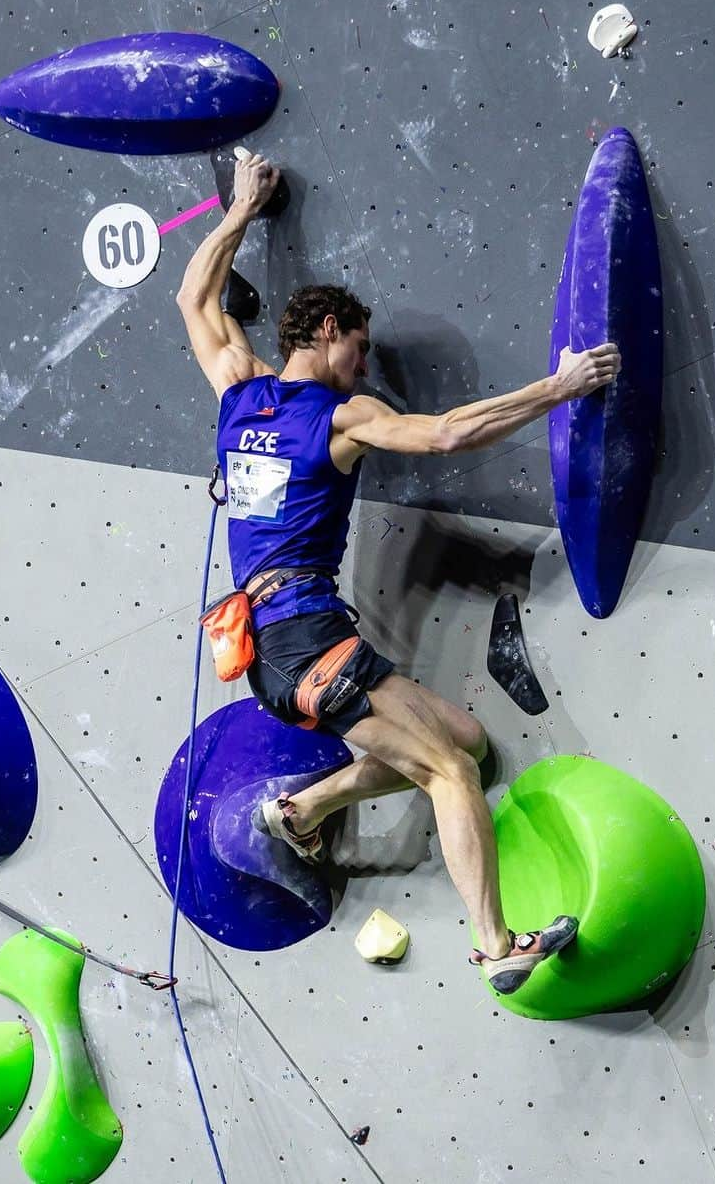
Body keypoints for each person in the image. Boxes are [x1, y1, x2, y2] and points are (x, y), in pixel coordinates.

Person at [176, 151, 621, 994]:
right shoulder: (343, 416)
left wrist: (239, 211)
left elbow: (195, 298)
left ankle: (302, 811)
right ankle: (498, 947)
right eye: (361, 347)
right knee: (448, 774)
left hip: (287, 645)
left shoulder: (238, 392)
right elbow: (450, 433)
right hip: (304, 642)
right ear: (327, 333)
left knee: (468, 745)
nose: (366, 364)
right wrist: (560, 387)